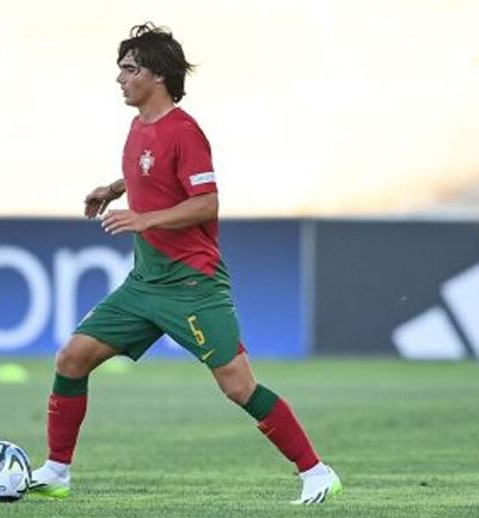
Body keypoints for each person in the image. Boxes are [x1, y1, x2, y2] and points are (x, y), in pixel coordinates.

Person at [28, 22, 342, 505]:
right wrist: (113, 189)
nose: (119, 78)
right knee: (72, 358)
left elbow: (206, 203)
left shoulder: (185, 131)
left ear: (157, 75)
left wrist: (143, 219)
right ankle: (56, 471)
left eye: (129, 69)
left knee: (238, 387)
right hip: (144, 284)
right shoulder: (139, 126)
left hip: (191, 284)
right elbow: (151, 172)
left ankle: (317, 473)